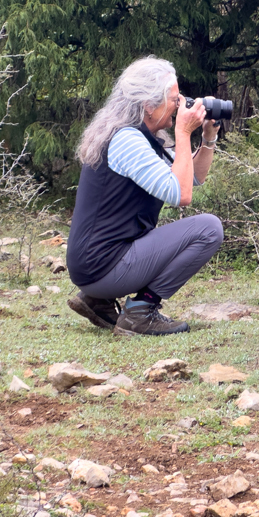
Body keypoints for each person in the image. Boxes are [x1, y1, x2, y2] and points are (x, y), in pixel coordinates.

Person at [66, 56, 224, 336]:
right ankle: (141, 311)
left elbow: (193, 176)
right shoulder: (127, 140)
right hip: (103, 266)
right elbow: (181, 194)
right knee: (209, 229)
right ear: (149, 106)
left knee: (201, 226)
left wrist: (207, 137)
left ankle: (97, 300)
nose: (180, 105)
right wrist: (184, 132)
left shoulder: (140, 136)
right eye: (175, 99)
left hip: (94, 266)